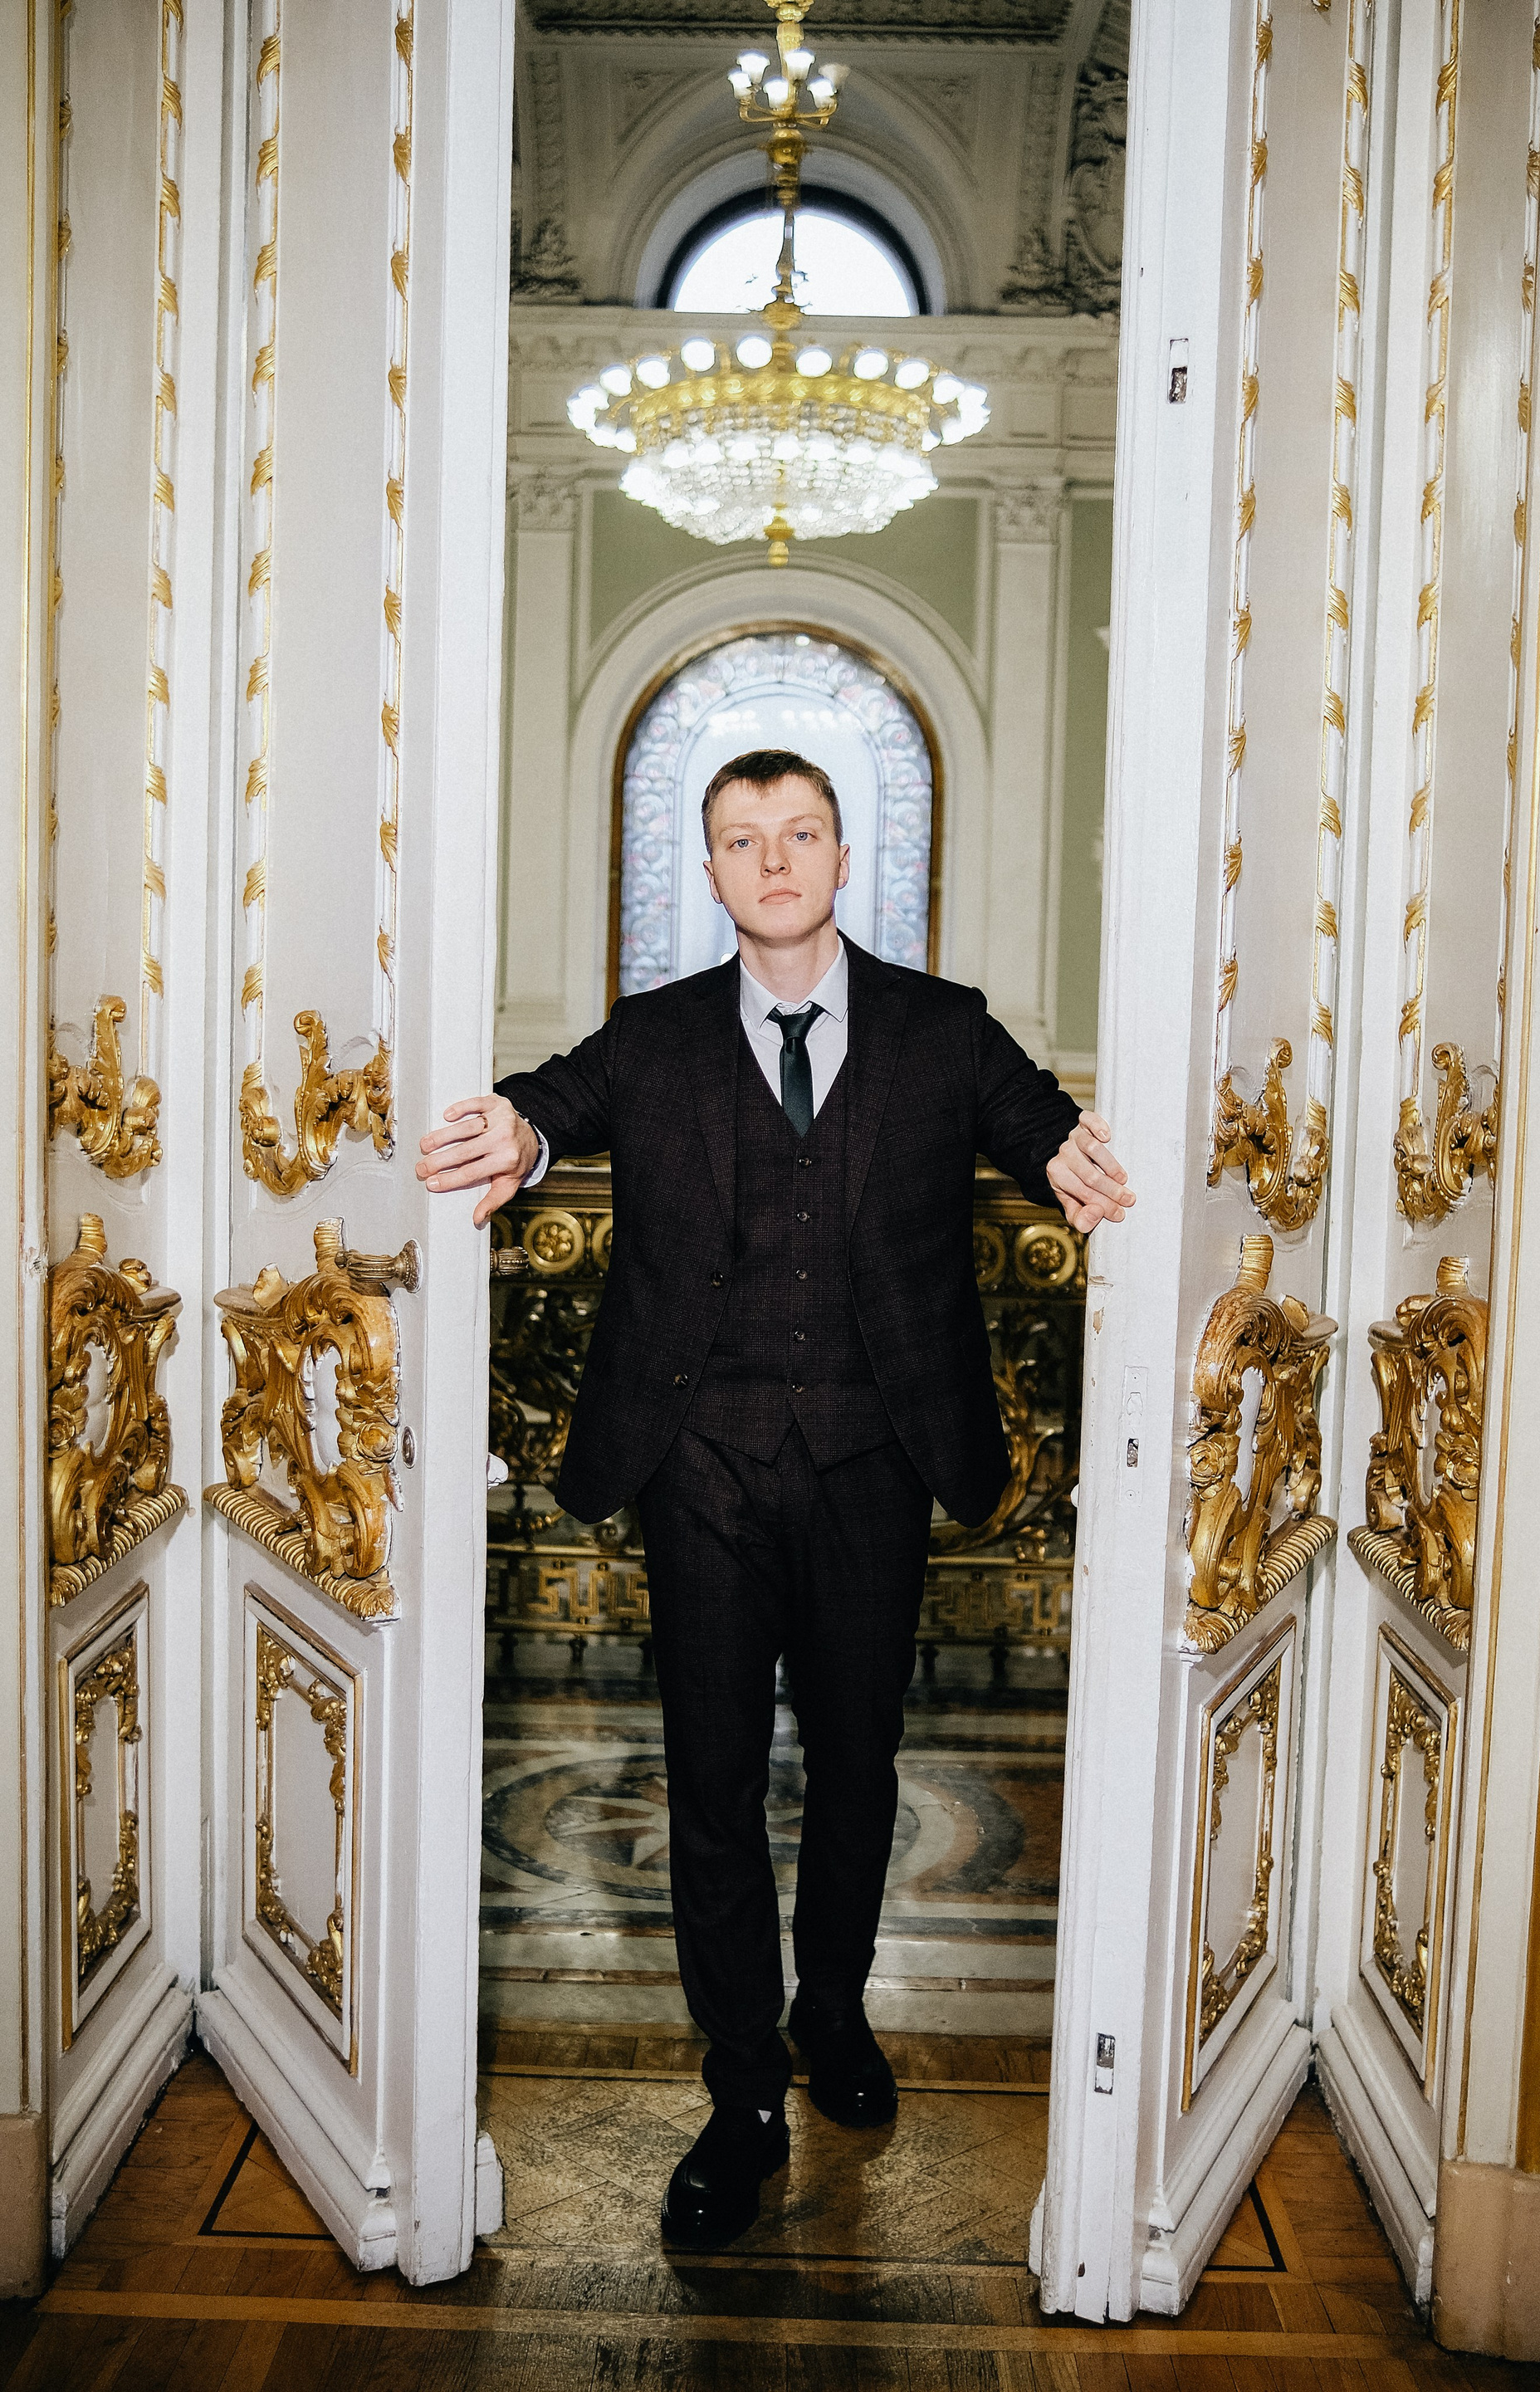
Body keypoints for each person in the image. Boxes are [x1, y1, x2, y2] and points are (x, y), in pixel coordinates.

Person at [418, 749, 1133, 2248]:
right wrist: (519, 1135)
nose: (776, 859)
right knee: (714, 1782)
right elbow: (552, 1106)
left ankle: (835, 2011)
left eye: (800, 831)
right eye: (743, 839)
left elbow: (1039, 1122)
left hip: (876, 1463)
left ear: (841, 855)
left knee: (860, 1767)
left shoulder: (943, 1029)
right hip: (703, 1467)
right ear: (714, 871)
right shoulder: (659, 1035)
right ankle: (743, 2095)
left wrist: (1083, 1160)